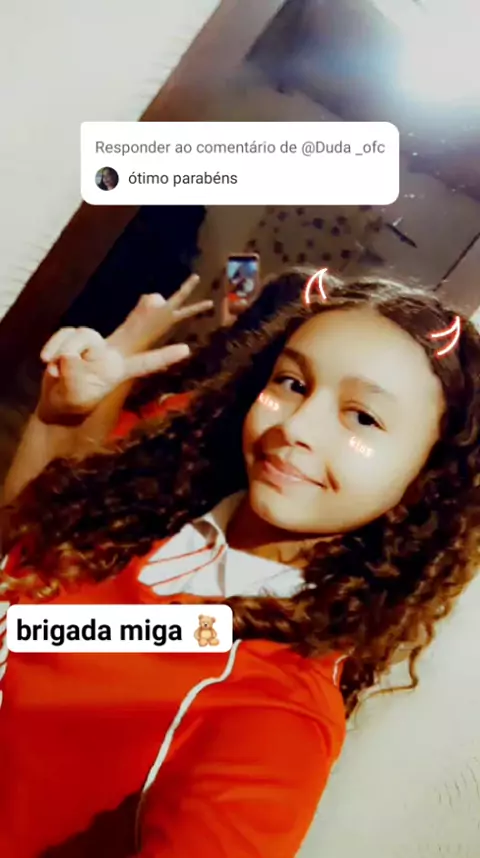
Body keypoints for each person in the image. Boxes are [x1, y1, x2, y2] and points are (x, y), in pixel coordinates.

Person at [1, 269, 480, 858]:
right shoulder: (160, 508)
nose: (295, 426)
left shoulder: (274, 709)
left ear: (428, 478)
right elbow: (29, 604)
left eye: (363, 418)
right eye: (292, 383)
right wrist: (61, 419)